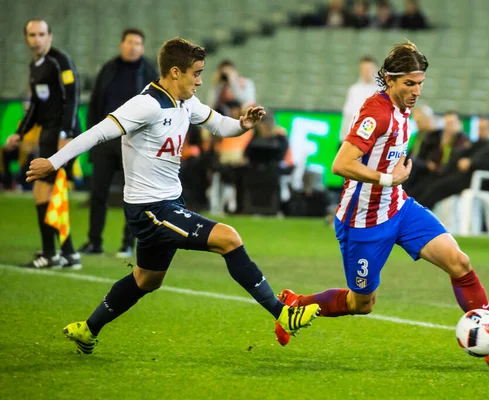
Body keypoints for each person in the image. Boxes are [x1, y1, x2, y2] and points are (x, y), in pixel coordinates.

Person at [25, 38, 319, 354]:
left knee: (146, 280)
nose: (200, 80)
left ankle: (87, 330)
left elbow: (219, 124)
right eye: (196, 73)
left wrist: (242, 124)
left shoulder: (185, 102)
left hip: (168, 204)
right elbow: (97, 133)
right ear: (175, 72)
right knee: (229, 238)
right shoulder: (146, 105)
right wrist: (53, 162)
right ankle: (283, 314)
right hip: (149, 209)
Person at [273, 40, 489, 367]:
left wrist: (393, 186)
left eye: (420, 83)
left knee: (459, 262)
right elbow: (341, 164)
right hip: (364, 221)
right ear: (389, 80)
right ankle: (295, 306)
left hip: (399, 207)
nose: (416, 91)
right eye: (409, 83)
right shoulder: (377, 112)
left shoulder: (403, 107)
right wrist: (388, 179)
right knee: (362, 303)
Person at [5, 19, 81, 269]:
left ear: (50, 36)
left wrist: (65, 132)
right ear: (26, 38)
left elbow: (72, 97)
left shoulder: (60, 62)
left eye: (41, 34)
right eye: (32, 35)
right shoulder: (35, 66)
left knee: (44, 190)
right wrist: (19, 132)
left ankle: (51, 254)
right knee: (52, 192)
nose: (36, 39)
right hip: (48, 133)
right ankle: (67, 253)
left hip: (60, 133)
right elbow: (36, 105)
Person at [80, 28, 158, 257]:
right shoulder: (108, 69)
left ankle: (128, 243)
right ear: (121, 44)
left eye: (137, 43)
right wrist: (92, 138)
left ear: (142, 48)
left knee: (134, 196)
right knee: (98, 194)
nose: (132, 46)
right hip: (106, 141)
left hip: (134, 142)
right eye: (129, 42)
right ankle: (94, 241)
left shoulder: (149, 71)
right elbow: (95, 104)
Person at [417, 111, 489, 212]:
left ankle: (418, 214)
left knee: (439, 187)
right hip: (472, 175)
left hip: (485, 180)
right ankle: (416, 212)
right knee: (432, 183)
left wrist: (471, 163)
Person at [340, 56, 379, 142]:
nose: (367, 72)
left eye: (369, 68)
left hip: (374, 138)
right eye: (364, 69)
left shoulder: (382, 90)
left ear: (375, 69)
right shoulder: (354, 90)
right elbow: (347, 115)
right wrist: (342, 138)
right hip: (353, 137)